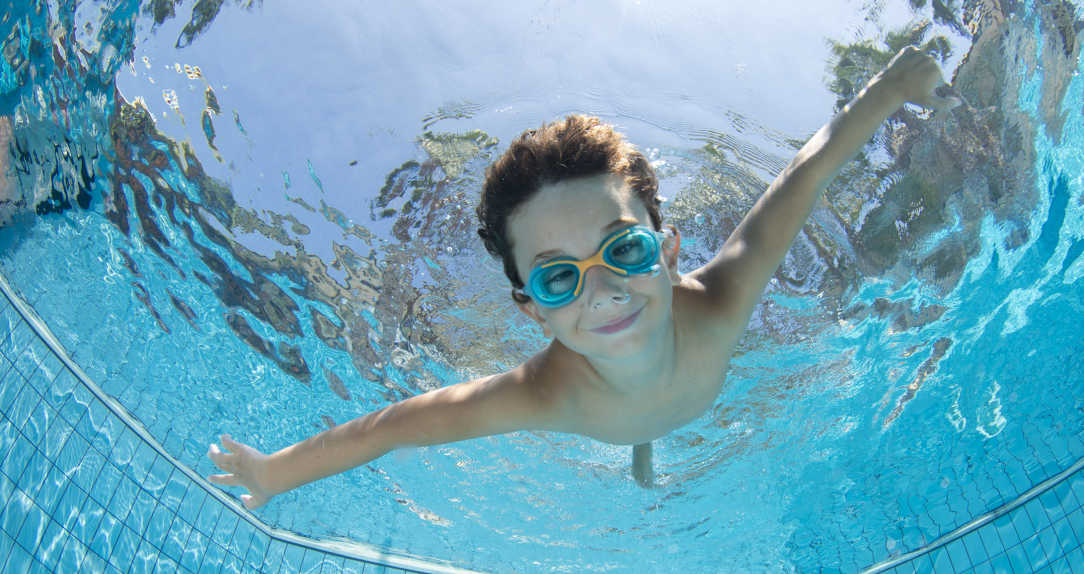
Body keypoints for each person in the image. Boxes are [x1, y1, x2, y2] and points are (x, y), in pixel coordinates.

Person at [208, 47, 960, 507]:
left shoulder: (722, 301)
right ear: (532, 311)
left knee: (650, 436)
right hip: (621, 417)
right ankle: (640, 449)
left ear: (667, 254)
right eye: (558, 279)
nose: (601, 290)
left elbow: (803, 177)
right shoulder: (544, 393)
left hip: (675, 397)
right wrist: (276, 472)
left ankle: (642, 447)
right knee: (641, 445)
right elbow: (395, 427)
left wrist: (889, 88)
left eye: (623, 252)